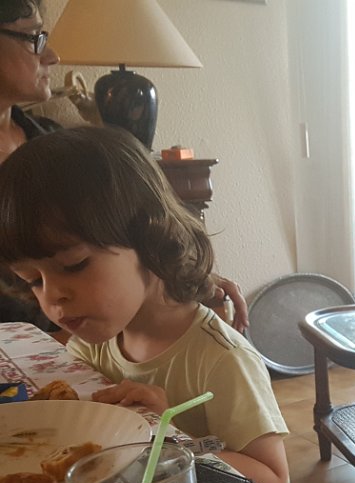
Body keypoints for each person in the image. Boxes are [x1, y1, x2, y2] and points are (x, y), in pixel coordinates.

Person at [0, 126, 290, 483]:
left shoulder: (221, 360)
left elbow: (274, 480)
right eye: (33, 280)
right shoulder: (94, 342)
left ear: (151, 240)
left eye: (74, 265)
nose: (52, 297)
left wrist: (170, 441)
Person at [0, 0, 250, 333]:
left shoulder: (54, 147)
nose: (52, 56)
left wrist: (177, 278)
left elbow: (127, 235)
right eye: (34, 38)